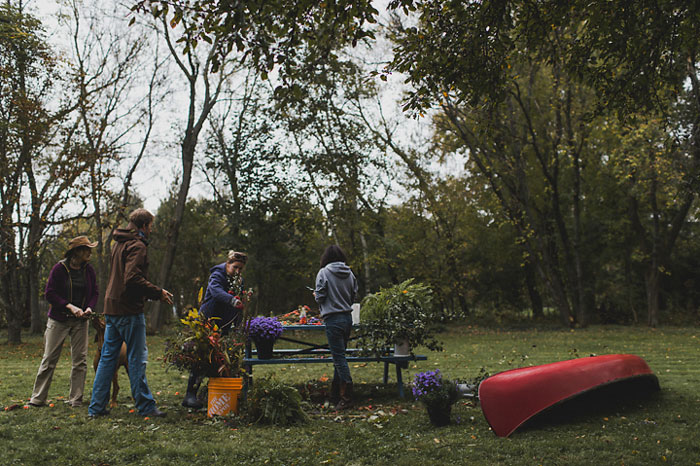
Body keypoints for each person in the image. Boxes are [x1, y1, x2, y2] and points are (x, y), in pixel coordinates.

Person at [88, 208, 173, 418]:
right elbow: (132, 279)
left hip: (111, 307)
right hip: (128, 309)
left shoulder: (119, 243)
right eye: (151, 226)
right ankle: (145, 406)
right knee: (137, 358)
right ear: (144, 226)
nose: (151, 230)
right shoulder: (137, 246)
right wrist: (158, 292)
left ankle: (96, 408)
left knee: (108, 358)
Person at [29, 236, 99, 408]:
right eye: (86, 249)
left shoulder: (88, 270)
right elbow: (50, 294)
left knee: (80, 361)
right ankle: (37, 399)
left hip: (81, 321)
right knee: (49, 359)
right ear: (76, 251)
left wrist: (89, 308)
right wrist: (69, 306)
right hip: (58, 320)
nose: (90, 252)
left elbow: (95, 292)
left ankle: (76, 400)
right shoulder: (59, 269)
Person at [182, 250, 248, 409]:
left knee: (222, 358)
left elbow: (240, 303)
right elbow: (216, 292)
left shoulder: (238, 280)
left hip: (225, 324)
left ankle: (218, 393)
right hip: (208, 322)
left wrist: (238, 324)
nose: (237, 271)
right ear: (228, 264)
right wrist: (232, 300)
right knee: (202, 357)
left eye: (240, 268)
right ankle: (190, 395)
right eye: (235, 267)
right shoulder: (217, 275)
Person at [314, 245, 358, 410]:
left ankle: (347, 398)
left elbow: (320, 297)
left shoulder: (323, 272)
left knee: (339, 358)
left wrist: (317, 296)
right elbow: (354, 295)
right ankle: (335, 393)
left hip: (332, 319)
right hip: (347, 318)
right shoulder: (350, 273)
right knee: (340, 357)